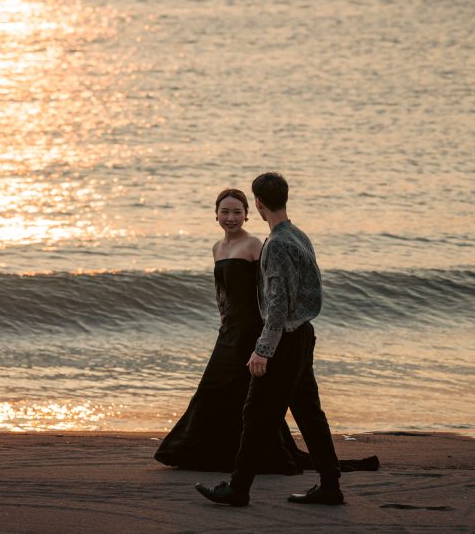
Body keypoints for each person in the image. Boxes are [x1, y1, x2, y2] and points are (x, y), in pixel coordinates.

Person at [157, 187, 377, 477]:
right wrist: (223, 319)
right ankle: (212, 452)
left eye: (237, 212)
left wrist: (267, 337)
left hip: (252, 331)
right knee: (220, 391)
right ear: (216, 215)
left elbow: (272, 290)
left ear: (249, 214)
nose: (231, 217)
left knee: (245, 394)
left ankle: (258, 460)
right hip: (229, 330)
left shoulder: (256, 246)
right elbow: (222, 292)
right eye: (225, 212)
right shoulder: (217, 248)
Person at [195, 172, 348, 507]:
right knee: (309, 412)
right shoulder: (298, 235)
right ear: (285, 199)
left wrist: (263, 349)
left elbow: (277, 302)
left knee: (255, 412)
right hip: (304, 334)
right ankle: (330, 485)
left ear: (259, 205)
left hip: (286, 339)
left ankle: (238, 488)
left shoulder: (276, 245)